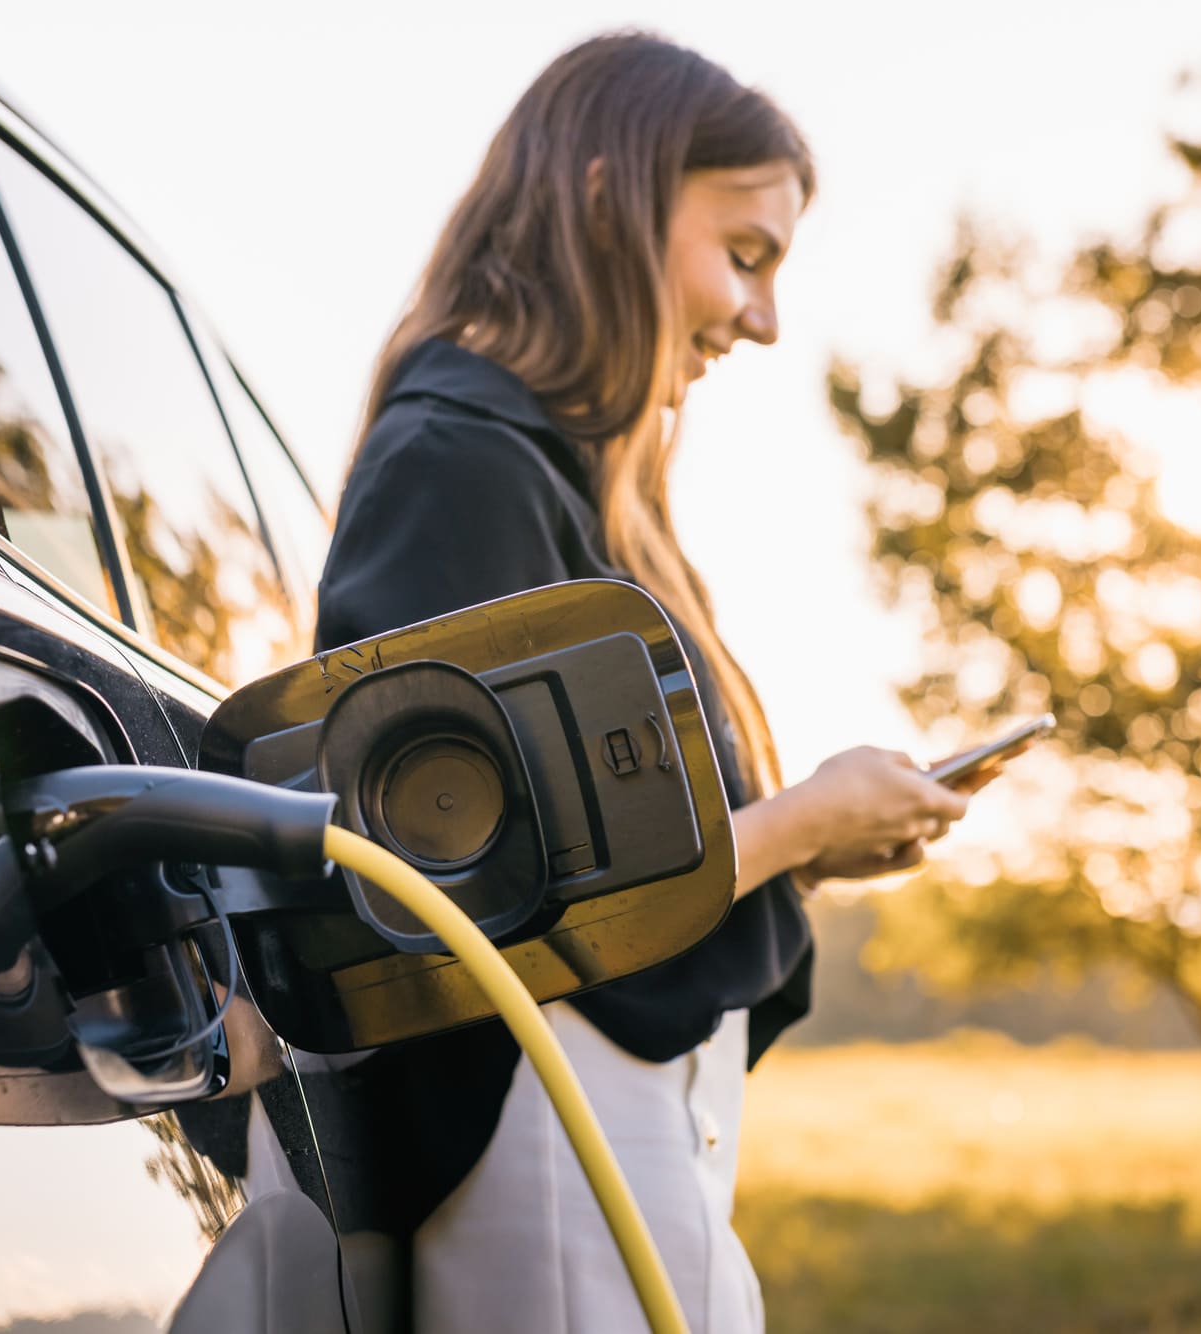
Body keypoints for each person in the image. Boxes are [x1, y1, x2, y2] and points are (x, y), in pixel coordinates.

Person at [314, 31, 972, 1333]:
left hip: (614, 1144)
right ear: (611, 197)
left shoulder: (575, 492)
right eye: (744, 255)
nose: (765, 318)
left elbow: (595, 847)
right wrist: (795, 826)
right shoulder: (459, 468)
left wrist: (806, 852)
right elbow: (462, 903)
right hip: (541, 1154)